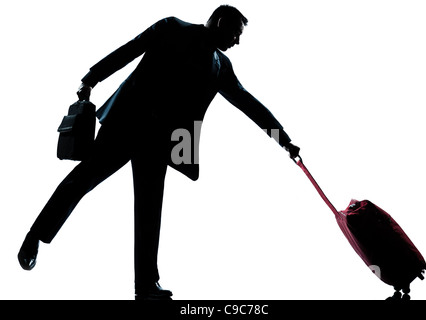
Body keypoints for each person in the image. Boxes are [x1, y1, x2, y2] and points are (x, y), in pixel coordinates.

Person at [18, 5, 300, 300]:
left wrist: (284, 140)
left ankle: (146, 287)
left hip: (162, 142)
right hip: (126, 123)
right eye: (235, 33)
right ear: (219, 21)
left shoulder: (221, 65)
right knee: (81, 181)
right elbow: (130, 49)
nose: (237, 41)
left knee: (150, 211)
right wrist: (91, 78)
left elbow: (248, 103)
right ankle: (34, 236)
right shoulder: (171, 27)